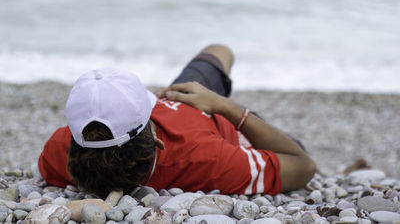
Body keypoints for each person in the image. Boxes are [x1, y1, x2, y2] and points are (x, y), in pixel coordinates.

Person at [38, 44, 316, 199]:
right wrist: (225, 106)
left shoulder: (57, 151)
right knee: (220, 51)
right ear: (155, 142)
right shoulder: (209, 159)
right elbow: (303, 166)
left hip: (182, 96)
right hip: (226, 123)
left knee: (217, 54)